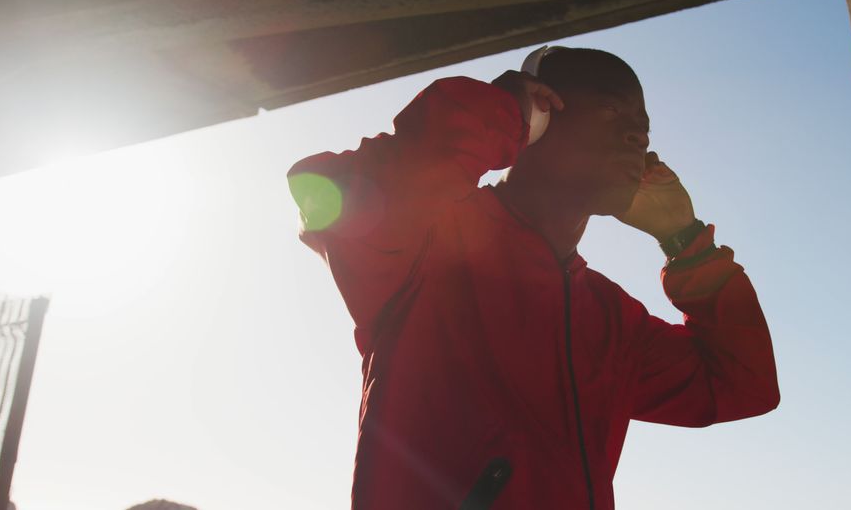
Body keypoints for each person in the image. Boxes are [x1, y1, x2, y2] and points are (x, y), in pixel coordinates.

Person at [287, 46, 779, 510]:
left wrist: (685, 242)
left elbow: (741, 384)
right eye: (613, 112)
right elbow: (327, 192)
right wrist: (498, 111)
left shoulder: (612, 320)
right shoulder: (431, 244)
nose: (637, 136)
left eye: (643, 127)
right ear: (540, 115)